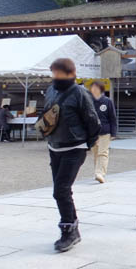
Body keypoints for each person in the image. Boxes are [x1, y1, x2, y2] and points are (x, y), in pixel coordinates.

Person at [43, 58, 101, 252]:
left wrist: (87, 143)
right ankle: (71, 228)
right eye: (54, 74)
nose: (56, 77)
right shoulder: (51, 91)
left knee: (60, 190)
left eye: (59, 74)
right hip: (55, 146)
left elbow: (92, 120)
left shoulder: (80, 93)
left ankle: (69, 230)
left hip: (74, 147)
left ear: (71, 74)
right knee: (61, 190)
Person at [89, 81, 117, 183]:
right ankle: (98, 172)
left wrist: (113, 133)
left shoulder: (107, 101)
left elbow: (112, 118)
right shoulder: (89, 101)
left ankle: (100, 173)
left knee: (103, 152)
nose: (94, 90)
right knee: (96, 153)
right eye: (92, 88)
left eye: (96, 88)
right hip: (92, 132)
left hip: (105, 131)